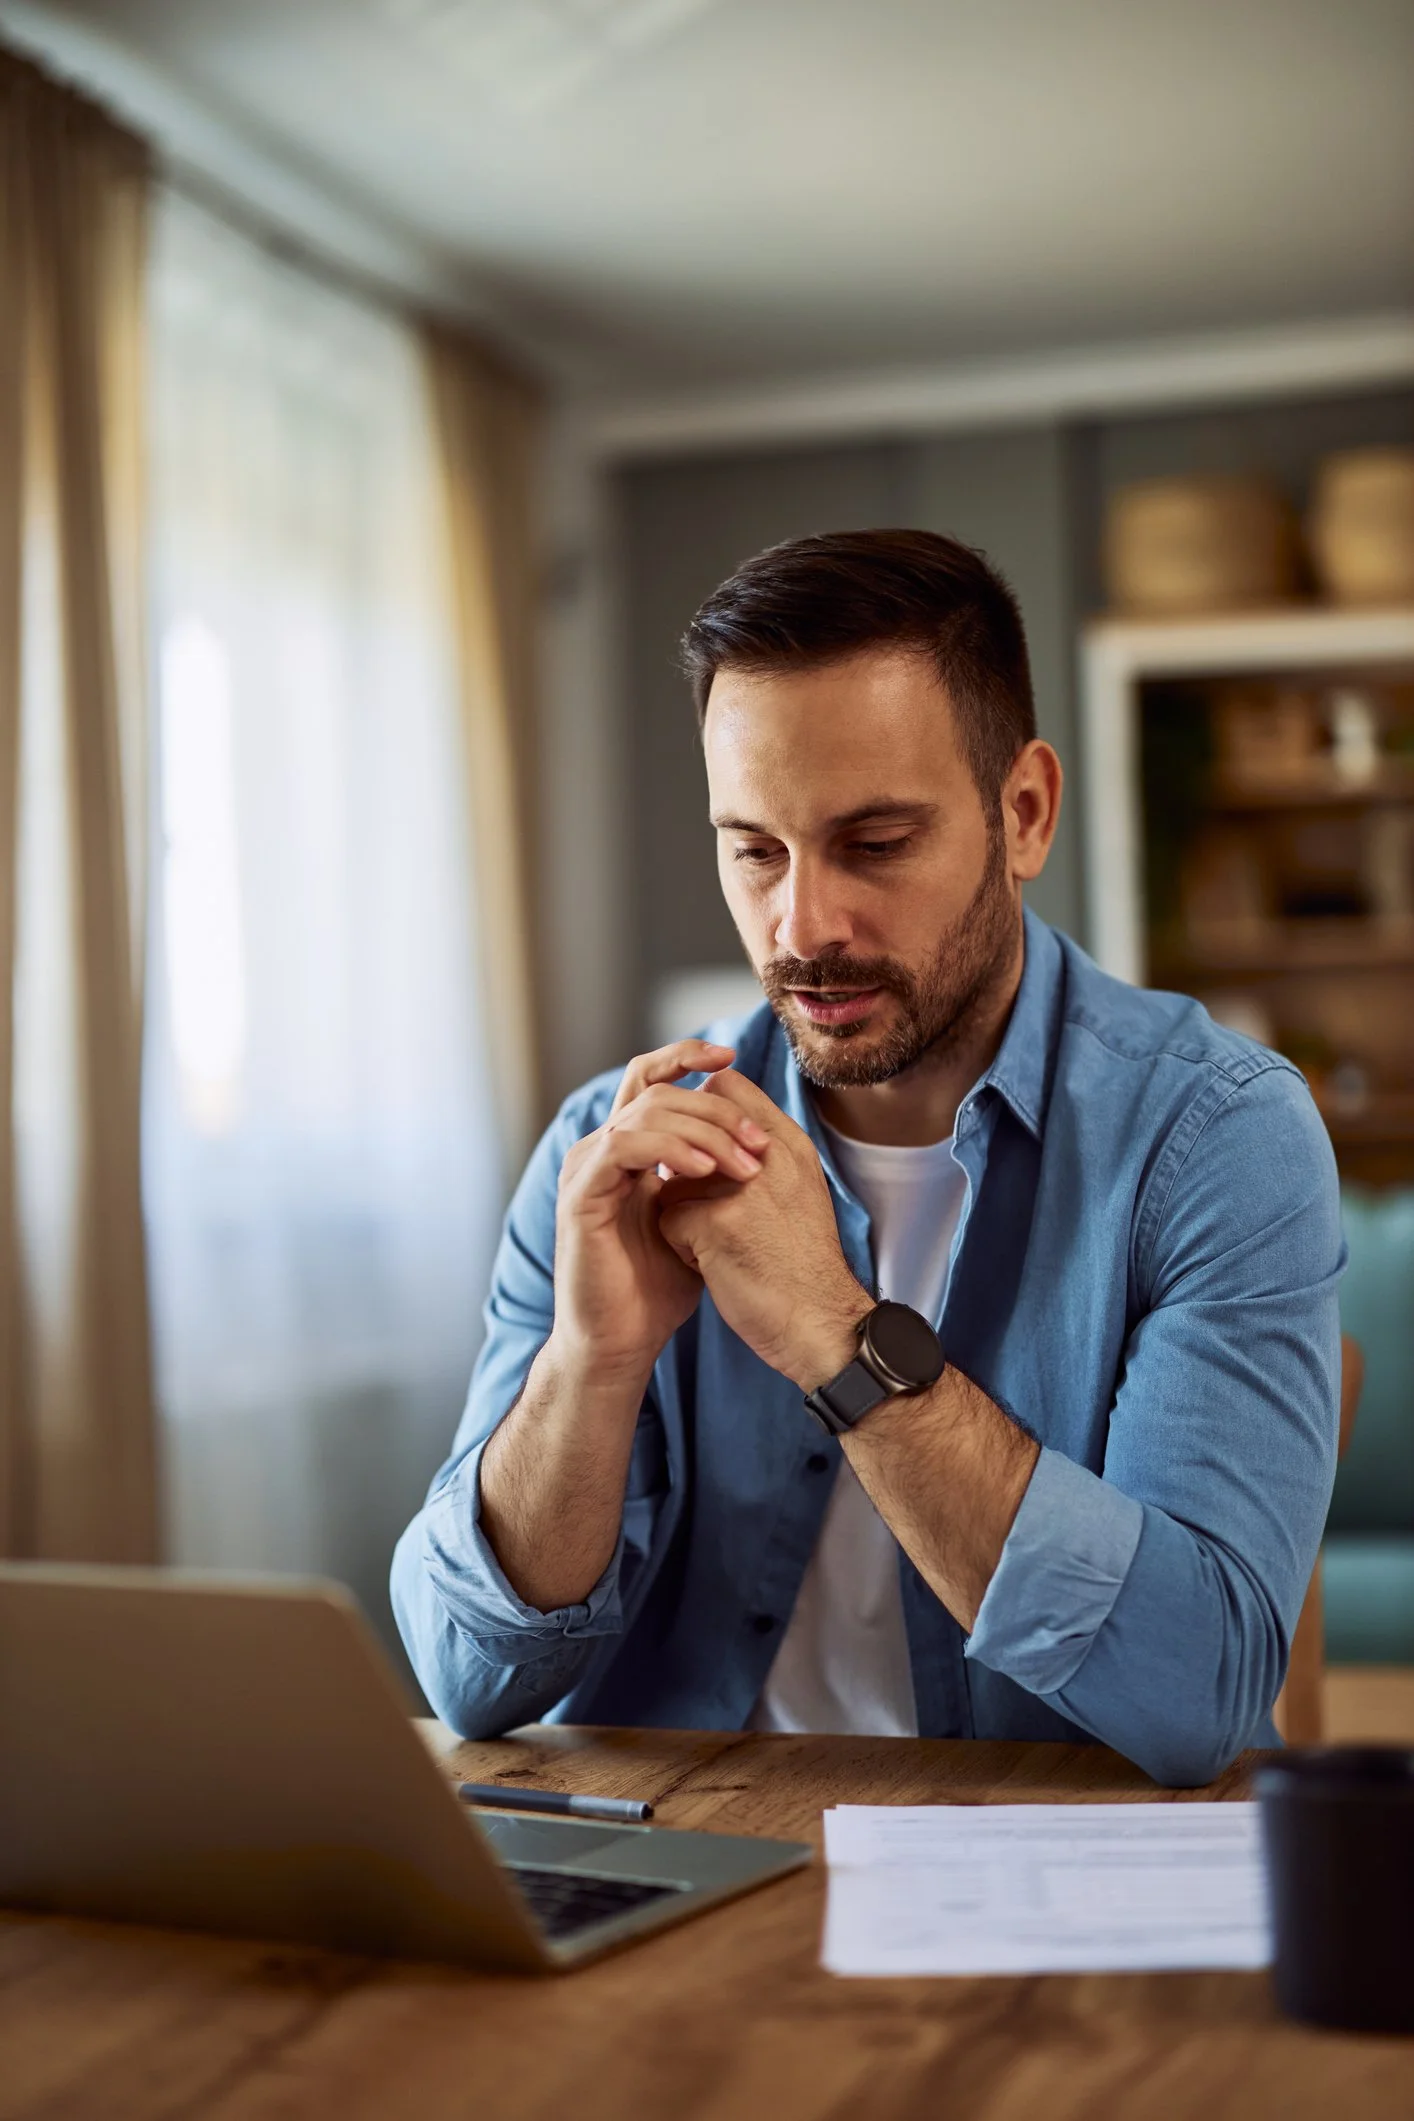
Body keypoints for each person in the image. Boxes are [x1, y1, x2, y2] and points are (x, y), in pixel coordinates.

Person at [392, 528, 1343, 1786]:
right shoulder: (603, 1152)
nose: (803, 925)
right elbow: (467, 1677)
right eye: (755, 850)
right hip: (687, 1865)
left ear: (1024, 813)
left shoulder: (1217, 1137)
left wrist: (840, 1338)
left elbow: (1197, 1691)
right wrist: (592, 1362)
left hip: (1040, 1886)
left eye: (875, 843)